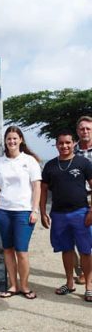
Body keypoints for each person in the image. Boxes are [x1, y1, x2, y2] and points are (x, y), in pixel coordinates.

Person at [0, 126, 41, 299]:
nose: (11, 141)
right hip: (3, 211)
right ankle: (13, 285)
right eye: (9, 139)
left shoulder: (30, 161)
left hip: (23, 212)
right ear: (5, 141)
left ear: (21, 140)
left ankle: (25, 286)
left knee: (21, 251)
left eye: (14, 138)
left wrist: (35, 210)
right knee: (8, 250)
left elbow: (37, 187)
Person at [40, 129, 92, 302]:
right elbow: (43, 190)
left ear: (74, 144)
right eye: (61, 143)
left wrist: (91, 211)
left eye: (68, 142)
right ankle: (69, 283)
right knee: (66, 249)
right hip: (59, 215)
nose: (64, 146)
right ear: (56, 145)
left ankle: (89, 286)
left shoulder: (83, 163)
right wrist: (42, 212)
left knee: (85, 250)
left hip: (81, 213)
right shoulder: (50, 166)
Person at [74, 116, 92, 285]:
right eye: (82, 129)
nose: (85, 131)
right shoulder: (70, 150)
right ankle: (83, 270)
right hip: (78, 199)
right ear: (77, 131)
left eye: (88, 128)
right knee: (80, 237)